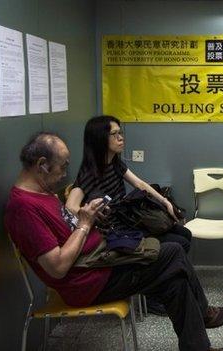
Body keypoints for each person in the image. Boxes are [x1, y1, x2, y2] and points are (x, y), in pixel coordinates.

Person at [5, 132, 223, 351]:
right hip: (88, 282)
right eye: (63, 166)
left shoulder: (43, 194)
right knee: (173, 252)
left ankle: (198, 346)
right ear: (42, 164)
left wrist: (89, 217)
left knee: (175, 281)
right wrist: (85, 224)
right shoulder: (23, 208)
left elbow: (67, 231)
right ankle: (203, 315)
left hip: (101, 261)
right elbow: (57, 267)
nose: (65, 173)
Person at [66, 115, 192, 315]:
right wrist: (89, 211)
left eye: (120, 133)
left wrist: (166, 202)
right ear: (100, 139)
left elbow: (140, 184)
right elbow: (70, 205)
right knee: (178, 243)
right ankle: (153, 292)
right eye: (114, 135)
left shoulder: (114, 162)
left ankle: (163, 284)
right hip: (118, 234)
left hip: (130, 222)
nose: (120, 138)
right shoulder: (89, 172)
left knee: (184, 234)